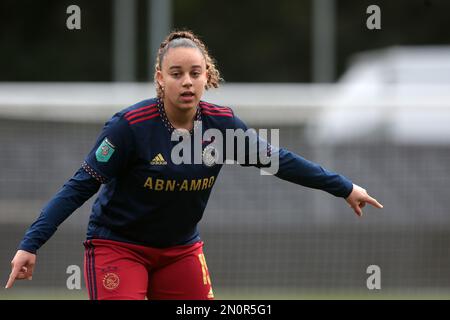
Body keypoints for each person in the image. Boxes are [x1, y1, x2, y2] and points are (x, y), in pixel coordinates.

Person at [5, 30, 383, 300]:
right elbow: (78, 186)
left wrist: (344, 187)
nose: (187, 82)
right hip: (118, 248)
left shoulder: (221, 125)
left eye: (195, 73)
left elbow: (280, 160)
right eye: (176, 74)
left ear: (206, 77)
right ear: (160, 79)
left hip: (180, 251)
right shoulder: (129, 128)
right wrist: (30, 244)